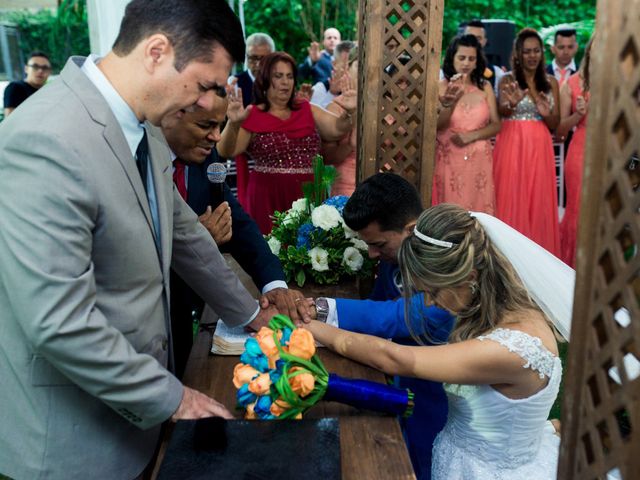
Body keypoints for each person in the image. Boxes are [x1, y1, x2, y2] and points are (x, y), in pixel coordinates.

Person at [0, 1, 278, 478]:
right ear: (156, 51)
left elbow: (186, 236)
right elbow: (59, 322)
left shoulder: (143, 127)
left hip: (137, 424)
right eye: (207, 85)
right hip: (72, 443)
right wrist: (175, 398)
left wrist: (252, 316)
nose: (211, 104)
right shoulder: (46, 138)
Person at [306, 203, 574, 479]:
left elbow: (394, 358)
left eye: (433, 291)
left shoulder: (512, 349)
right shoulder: (503, 309)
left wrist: (307, 327)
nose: (431, 302)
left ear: (469, 277)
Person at [304, 173, 454, 480]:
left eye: (378, 244)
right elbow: (377, 304)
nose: (372, 254)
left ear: (411, 229)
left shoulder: (451, 272)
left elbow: (398, 316)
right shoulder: (393, 255)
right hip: (395, 385)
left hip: (438, 398)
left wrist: (317, 312)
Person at [161, 92, 307, 378]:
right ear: (172, 115)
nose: (216, 137)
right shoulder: (139, 162)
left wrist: (273, 284)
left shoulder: (205, 155)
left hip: (186, 311)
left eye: (220, 125)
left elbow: (236, 220)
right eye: (206, 126)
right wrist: (194, 241)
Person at [217, 51, 356, 233]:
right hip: (267, 197)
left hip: (309, 195)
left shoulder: (307, 109)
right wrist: (233, 123)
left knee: (312, 254)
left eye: (290, 76)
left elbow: (337, 129)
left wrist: (349, 112)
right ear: (266, 79)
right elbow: (226, 151)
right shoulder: (252, 114)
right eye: (278, 76)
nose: (285, 82)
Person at [493, 28, 561, 256]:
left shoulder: (550, 82)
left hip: (540, 144)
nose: (532, 56)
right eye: (527, 52)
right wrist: (511, 104)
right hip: (512, 142)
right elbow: (501, 111)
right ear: (518, 54)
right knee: (511, 194)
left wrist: (545, 111)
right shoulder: (507, 80)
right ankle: (509, 255)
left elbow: (555, 123)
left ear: (542, 53)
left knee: (538, 198)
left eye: (536, 51)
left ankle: (539, 255)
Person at [433, 34, 500, 213]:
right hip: (449, 158)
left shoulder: (484, 86)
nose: (466, 63)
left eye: (471, 58)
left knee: (479, 214)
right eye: (461, 57)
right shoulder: (441, 86)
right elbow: (437, 126)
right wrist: (451, 101)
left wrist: (472, 136)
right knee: (451, 212)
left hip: (480, 161)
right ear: (452, 58)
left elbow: (496, 125)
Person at [557, 34, 594, 267]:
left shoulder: (623, 83)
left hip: (613, 152)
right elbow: (560, 130)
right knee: (578, 212)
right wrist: (578, 115)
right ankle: (571, 267)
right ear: (589, 52)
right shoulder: (571, 84)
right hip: (580, 149)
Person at [321, 45, 358, 196]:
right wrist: (350, 145)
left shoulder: (387, 104)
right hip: (346, 190)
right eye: (359, 65)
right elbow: (327, 157)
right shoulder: (335, 106)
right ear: (348, 68)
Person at [3, 51, 52, 117]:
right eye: (35, 66)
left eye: (45, 68)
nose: (40, 71)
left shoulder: (50, 92)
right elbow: (10, 121)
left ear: (49, 72)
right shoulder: (15, 88)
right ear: (26, 69)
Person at [310, 40, 355, 109]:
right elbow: (313, 118)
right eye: (347, 64)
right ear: (334, 64)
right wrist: (331, 94)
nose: (351, 69)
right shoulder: (320, 89)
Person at [464, 20, 506, 92]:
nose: (474, 41)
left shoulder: (497, 73)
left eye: (478, 38)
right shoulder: (447, 71)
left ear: (484, 41)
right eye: (470, 37)